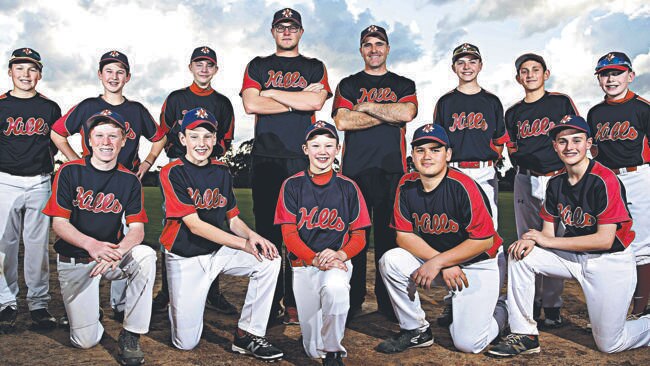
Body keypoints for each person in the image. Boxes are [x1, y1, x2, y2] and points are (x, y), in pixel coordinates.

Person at [488, 115, 650, 357]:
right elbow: (547, 233)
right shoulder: (555, 184)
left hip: (609, 262)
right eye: (562, 141)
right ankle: (525, 334)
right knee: (520, 255)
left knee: (610, 344)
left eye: (577, 140)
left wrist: (547, 241)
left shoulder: (603, 179)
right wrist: (530, 239)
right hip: (574, 258)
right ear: (554, 146)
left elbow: (604, 240)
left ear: (589, 144)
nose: (569, 147)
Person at [50, 50, 166, 323]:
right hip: (89, 182)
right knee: (86, 235)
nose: (114, 77)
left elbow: (159, 137)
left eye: (120, 72)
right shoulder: (88, 105)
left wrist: (147, 163)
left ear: (128, 77)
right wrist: (76, 161)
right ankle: (88, 303)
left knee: (125, 242)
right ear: (100, 74)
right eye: (109, 71)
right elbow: (57, 133)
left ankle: (121, 304)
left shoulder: (135, 109)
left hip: (125, 185)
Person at [159, 107, 284, 361]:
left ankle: (247, 334)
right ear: (183, 139)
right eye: (194, 136)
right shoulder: (172, 172)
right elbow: (195, 225)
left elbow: (233, 219)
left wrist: (252, 237)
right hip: (185, 258)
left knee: (270, 259)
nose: (201, 143)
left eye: (207, 136)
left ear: (215, 140)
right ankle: (182, 304)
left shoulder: (221, 171)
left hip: (217, 253)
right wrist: (243, 244)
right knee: (186, 343)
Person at [377, 123, 505, 354]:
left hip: (479, 262)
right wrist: (441, 261)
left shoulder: (464, 185)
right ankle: (416, 330)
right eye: (420, 150)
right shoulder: (406, 184)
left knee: (468, 344)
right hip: (442, 262)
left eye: (435, 150)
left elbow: (484, 240)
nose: (427, 156)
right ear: (412, 155)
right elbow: (404, 237)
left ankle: (504, 309)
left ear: (448, 154)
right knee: (391, 260)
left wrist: (438, 262)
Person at [42, 110, 156, 366]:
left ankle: (131, 333)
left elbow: (137, 230)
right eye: (100, 135)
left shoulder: (129, 180)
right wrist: (91, 245)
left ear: (123, 141)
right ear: (89, 141)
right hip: (76, 259)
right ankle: (90, 313)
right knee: (85, 340)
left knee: (146, 255)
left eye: (113, 136)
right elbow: (59, 224)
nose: (107, 142)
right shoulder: (69, 172)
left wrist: (117, 252)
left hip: (111, 258)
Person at [241, 7, 331, 325]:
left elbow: (317, 103)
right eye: (281, 27)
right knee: (268, 231)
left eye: (293, 27)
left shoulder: (314, 66)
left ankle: (295, 301)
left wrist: (272, 93)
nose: (287, 31)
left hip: (300, 158)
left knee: (301, 232)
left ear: (301, 32)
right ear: (273, 31)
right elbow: (252, 103)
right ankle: (270, 302)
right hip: (266, 158)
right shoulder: (258, 65)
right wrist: (296, 98)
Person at [332, 25, 417, 319]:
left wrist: (367, 106)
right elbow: (342, 121)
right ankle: (353, 300)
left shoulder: (404, 83)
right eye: (367, 44)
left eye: (379, 44)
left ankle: (388, 302)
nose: (374, 49)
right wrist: (386, 114)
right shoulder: (348, 83)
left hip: (392, 171)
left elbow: (406, 114)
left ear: (388, 48)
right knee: (354, 238)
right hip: (354, 172)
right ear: (361, 50)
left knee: (389, 240)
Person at [274, 121, 371, 365]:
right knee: (311, 349)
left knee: (336, 289)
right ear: (305, 149)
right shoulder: (292, 185)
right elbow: (289, 235)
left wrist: (340, 255)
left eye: (329, 145)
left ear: (337, 149)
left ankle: (333, 352)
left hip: (338, 262)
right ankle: (318, 341)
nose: (323, 151)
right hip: (304, 265)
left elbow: (359, 236)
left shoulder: (349, 187)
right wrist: (314, 258)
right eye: (316, 145)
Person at [153, 46, 237, 315]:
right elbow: (163, 133)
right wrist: (149, 161)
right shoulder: (176, 98)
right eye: (198, 64)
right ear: (190, 67)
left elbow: (225, 139)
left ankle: (212, 292)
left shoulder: (223, 103)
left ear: (215, 69)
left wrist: (209, 162)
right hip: (178, 171)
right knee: (175, 229)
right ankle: (167, 292)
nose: (203, 69)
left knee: (213, 223)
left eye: (209, 65)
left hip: (209, 171)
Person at [432, 42, 508, 327]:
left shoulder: (491, 101)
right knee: (454, 235)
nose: (466, 66)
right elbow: (438, 141)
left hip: (483, 172)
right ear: (454, 67)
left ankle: (492, 300)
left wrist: (488, 162)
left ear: (480, 65)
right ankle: (454, 301)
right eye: (461, 61)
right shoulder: (446, 102)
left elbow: (500, 140)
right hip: (452, 172)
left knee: (489, 236)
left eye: (472, 61)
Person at [505, 53, 580, 327]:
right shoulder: (512, 113)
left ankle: (552, 305)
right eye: (524, 71)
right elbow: (512, 149)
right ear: (518, 78)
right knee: (527, 239)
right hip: (525, 179)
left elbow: (576, 137)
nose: (530, 75)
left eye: (535, 69)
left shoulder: (560, 101)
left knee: (555, 241)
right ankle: (532, 301)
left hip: (558, 179)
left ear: (545, 74)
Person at [0, 47, 61, 332]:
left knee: (37, 247)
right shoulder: (0, 105)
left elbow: (55, 144)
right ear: (10, 71)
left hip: (39, 181)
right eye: (19, 68)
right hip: (4, 181)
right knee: (5, 246)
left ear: (39, 74)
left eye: (32, 69)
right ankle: (5, 303)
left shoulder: (49, 108)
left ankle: (39, 304)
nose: (26, 74)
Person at [587, 52, 650, 318]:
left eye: (617, 72)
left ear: (630, 76)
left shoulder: (643, 108)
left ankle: (641, 305)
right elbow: (595, 152)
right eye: (605, 74)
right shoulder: (595, 113)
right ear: (599, 80)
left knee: (643, 244)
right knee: (610, 239)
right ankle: (615, 304)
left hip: (638, 175)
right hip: (608, 179)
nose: (611, 78)